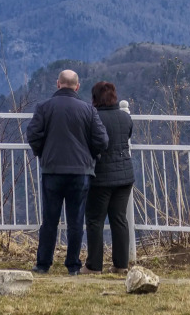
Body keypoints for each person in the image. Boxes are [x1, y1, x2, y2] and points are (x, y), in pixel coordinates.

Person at [26, 69, 108, 275]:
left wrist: (43, 153)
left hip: (52, 170)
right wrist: (90, 156)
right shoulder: (88, 110)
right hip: (80, 172)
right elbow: (102, 141)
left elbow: (33, 135)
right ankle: (73, 265)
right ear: (77, 86)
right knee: (76, 221)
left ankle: (43, 264)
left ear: (58, 84)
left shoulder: (44, 108)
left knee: (50, 220)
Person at [85, 81, 134, 274]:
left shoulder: (93, 117)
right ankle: (121, 265)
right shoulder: (125, 117)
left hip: (101, 176)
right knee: (119, 219)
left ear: (95, 97)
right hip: (125, 175)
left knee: (95, 220)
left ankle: (94, 265)